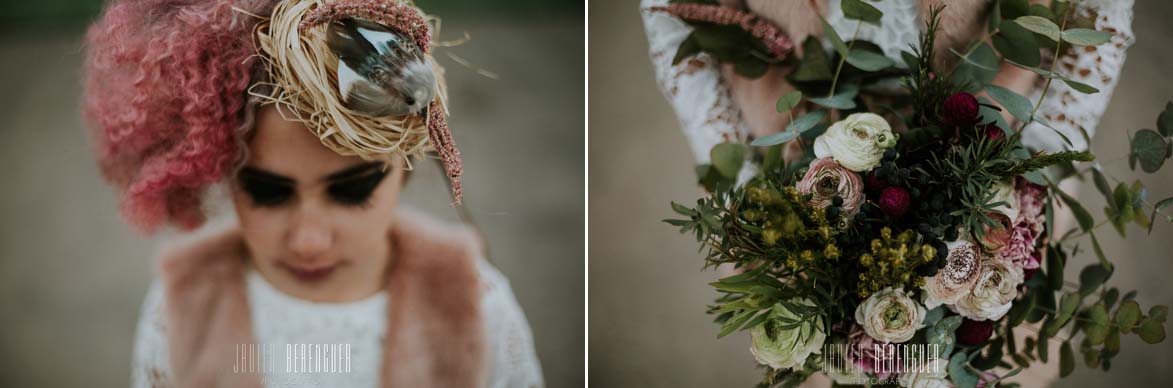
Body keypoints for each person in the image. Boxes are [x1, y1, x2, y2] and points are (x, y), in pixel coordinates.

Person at [641, 0, 1134, 386]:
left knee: (987, 359)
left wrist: (1024, 157)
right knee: (827, 362)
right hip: (785, 160)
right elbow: (671, 12)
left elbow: (1100, 14)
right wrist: (752, 168)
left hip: (999, 149)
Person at [83, 0, 544, 387]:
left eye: (352, 190)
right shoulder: (181, 310)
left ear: (404, 167)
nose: (308, 240)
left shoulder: (476, 310)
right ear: (215, 168)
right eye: (268, 193)